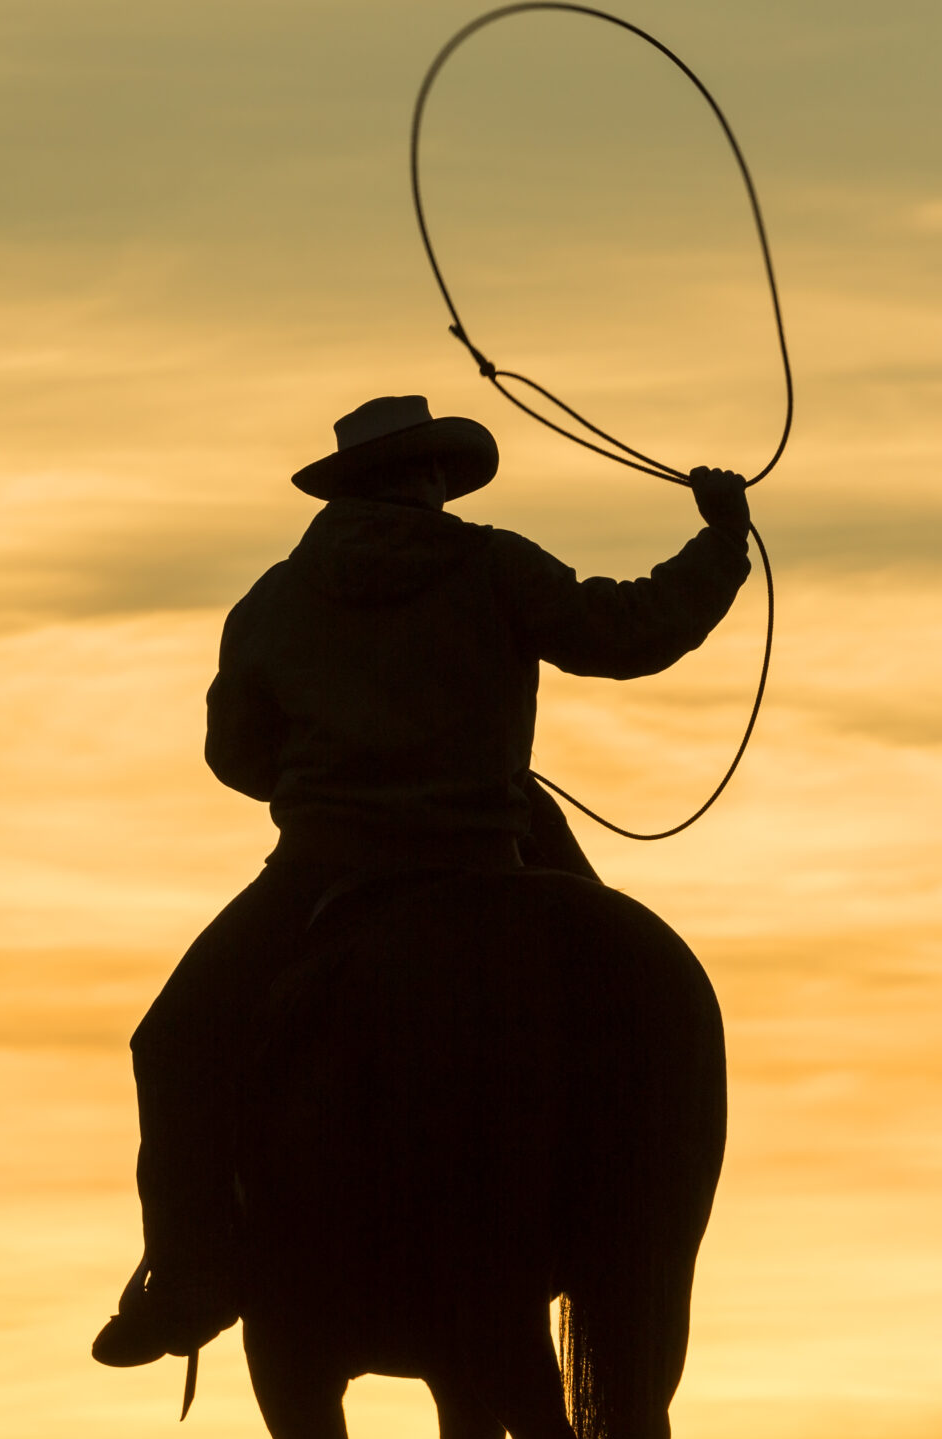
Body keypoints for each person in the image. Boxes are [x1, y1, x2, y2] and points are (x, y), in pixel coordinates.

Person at [89, 393, 751, 1369]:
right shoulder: (492, 564)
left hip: (324, 869)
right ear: (430, 479)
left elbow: (233, 754)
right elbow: (626, 631)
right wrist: (721, 544)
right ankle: (639, 1197)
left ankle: (190, 1273)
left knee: (175, 1040)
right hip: (488, 851)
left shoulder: (273, 601)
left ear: (349, 488)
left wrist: (328, 783)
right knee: (618, 976)